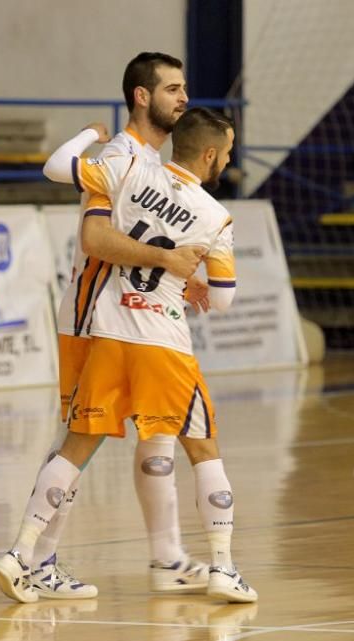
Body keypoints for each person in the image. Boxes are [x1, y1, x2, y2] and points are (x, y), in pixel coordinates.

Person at [0, 108, 257, 604]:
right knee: (202, 447)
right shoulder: (215, 215)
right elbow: (221, 299)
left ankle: (19, 553)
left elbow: (58, 166)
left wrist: (91, 134)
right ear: (209, 154)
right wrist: (187, 278)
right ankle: (222, 566)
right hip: (164, 342)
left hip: (109, 333)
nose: (228, 159)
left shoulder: (129, 170)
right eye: (227, 151)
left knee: (74, 447)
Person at [25, 52, 213, 600]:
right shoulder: (119, 153)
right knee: (76, 438)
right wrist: (167, 262)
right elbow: (96, 240)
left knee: (156, 430)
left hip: (133, 312)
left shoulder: (153, 163)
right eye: (173, 89)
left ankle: (168, 557)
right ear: (141, 95)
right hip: (94, 311)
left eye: (183, 88)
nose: (183, 98)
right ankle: (37, 558)